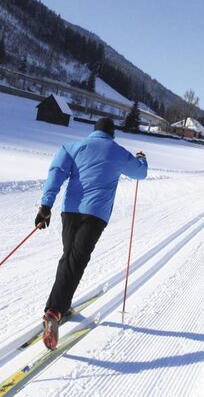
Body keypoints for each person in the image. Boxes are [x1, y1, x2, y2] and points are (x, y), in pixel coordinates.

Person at [34, 117, 148, 349]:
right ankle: (54, 311)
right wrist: (142, 160)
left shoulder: (72, 147)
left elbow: (56, 172)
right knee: (76, 260)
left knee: (69, 257)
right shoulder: (118, 152)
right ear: (112, 134)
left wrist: (46, 206)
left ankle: (61, 306)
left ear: (93, 131)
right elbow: (140, 174)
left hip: (70, 212)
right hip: (95, 215)